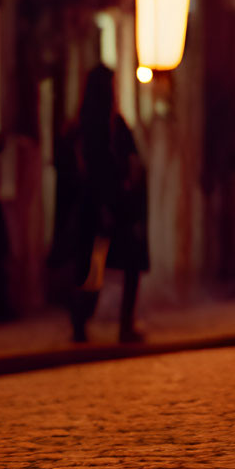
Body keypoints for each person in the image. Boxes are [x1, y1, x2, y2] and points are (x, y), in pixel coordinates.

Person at [49, 67, 150, 343]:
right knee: (102, 269)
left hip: (95, 209)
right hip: (106, 208)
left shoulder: (83, 130)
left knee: (92, 269)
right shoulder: (106, 128)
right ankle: (116, 325)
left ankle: (83, 324)